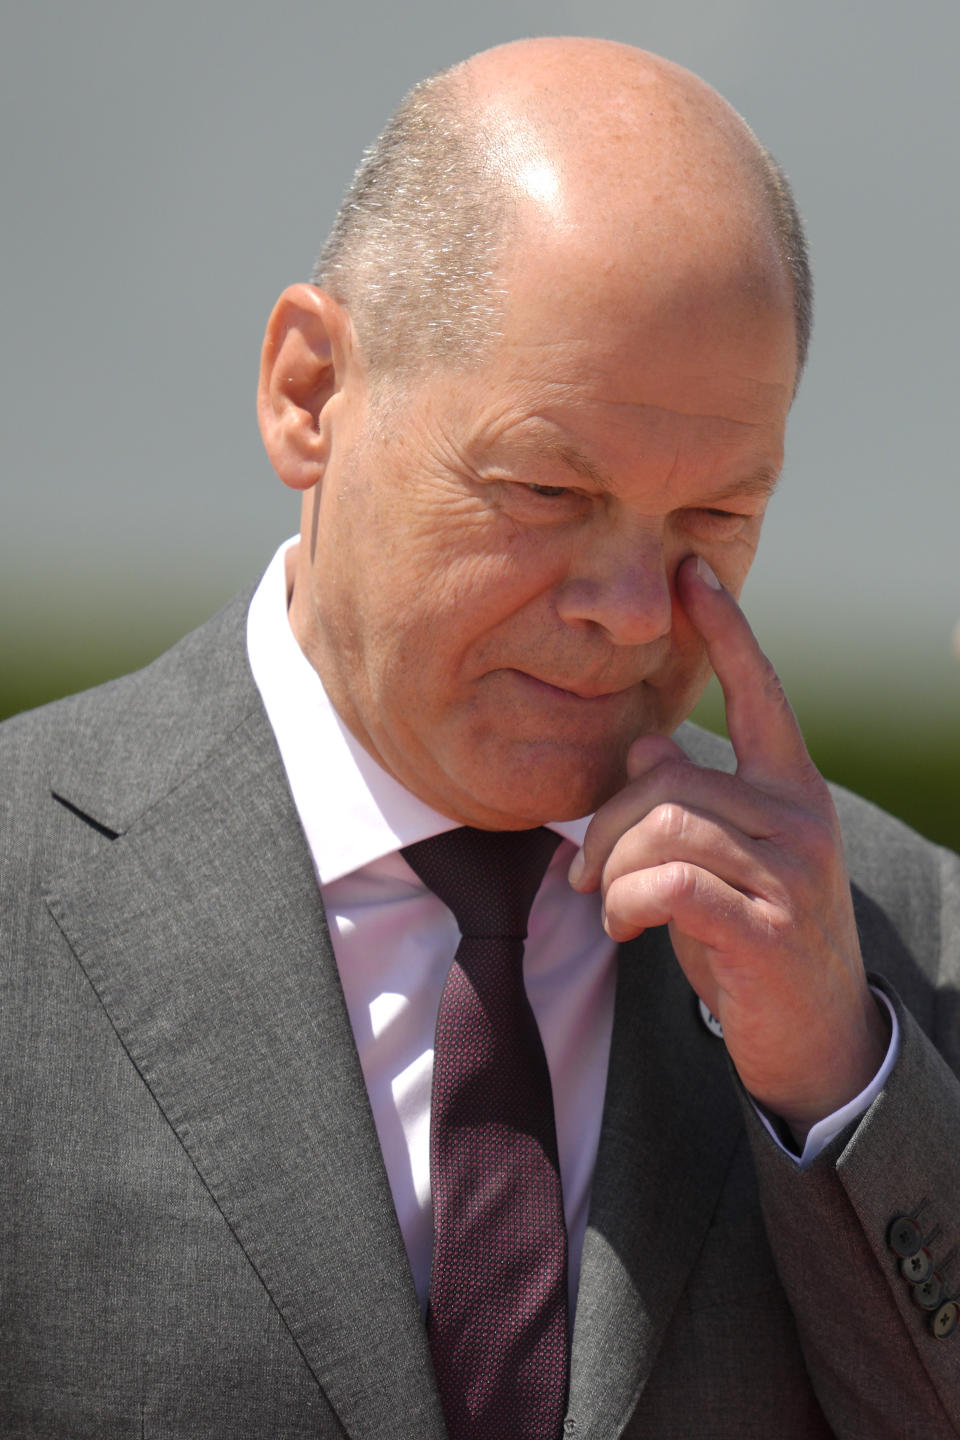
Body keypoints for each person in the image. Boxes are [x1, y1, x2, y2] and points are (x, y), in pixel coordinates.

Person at [2, 35, 959, 1440]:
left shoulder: (903, 945)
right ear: (310, 392)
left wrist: (841, 1084)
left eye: (712, 520)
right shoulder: (26, 894)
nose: (633, 615)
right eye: (545, 488)